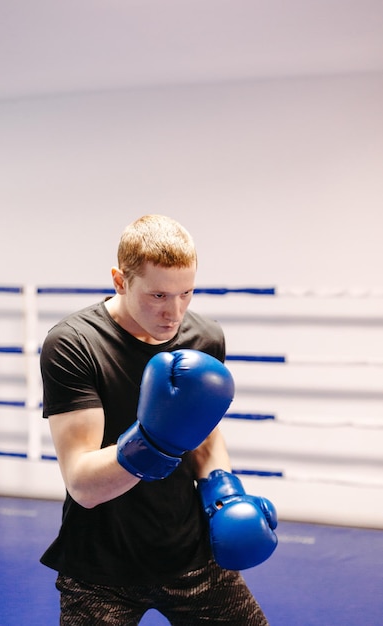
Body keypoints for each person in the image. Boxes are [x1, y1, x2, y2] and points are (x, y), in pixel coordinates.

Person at [40, 214, 277, 625]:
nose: (175, 312)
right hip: (100, 568)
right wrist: (155, 442)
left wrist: (224, 494)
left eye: (186, 293)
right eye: (158, 296)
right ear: (120, 280)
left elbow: (204, 436)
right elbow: (82, 484)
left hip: (191, 554)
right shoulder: (74, 345)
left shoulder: (205, 338)